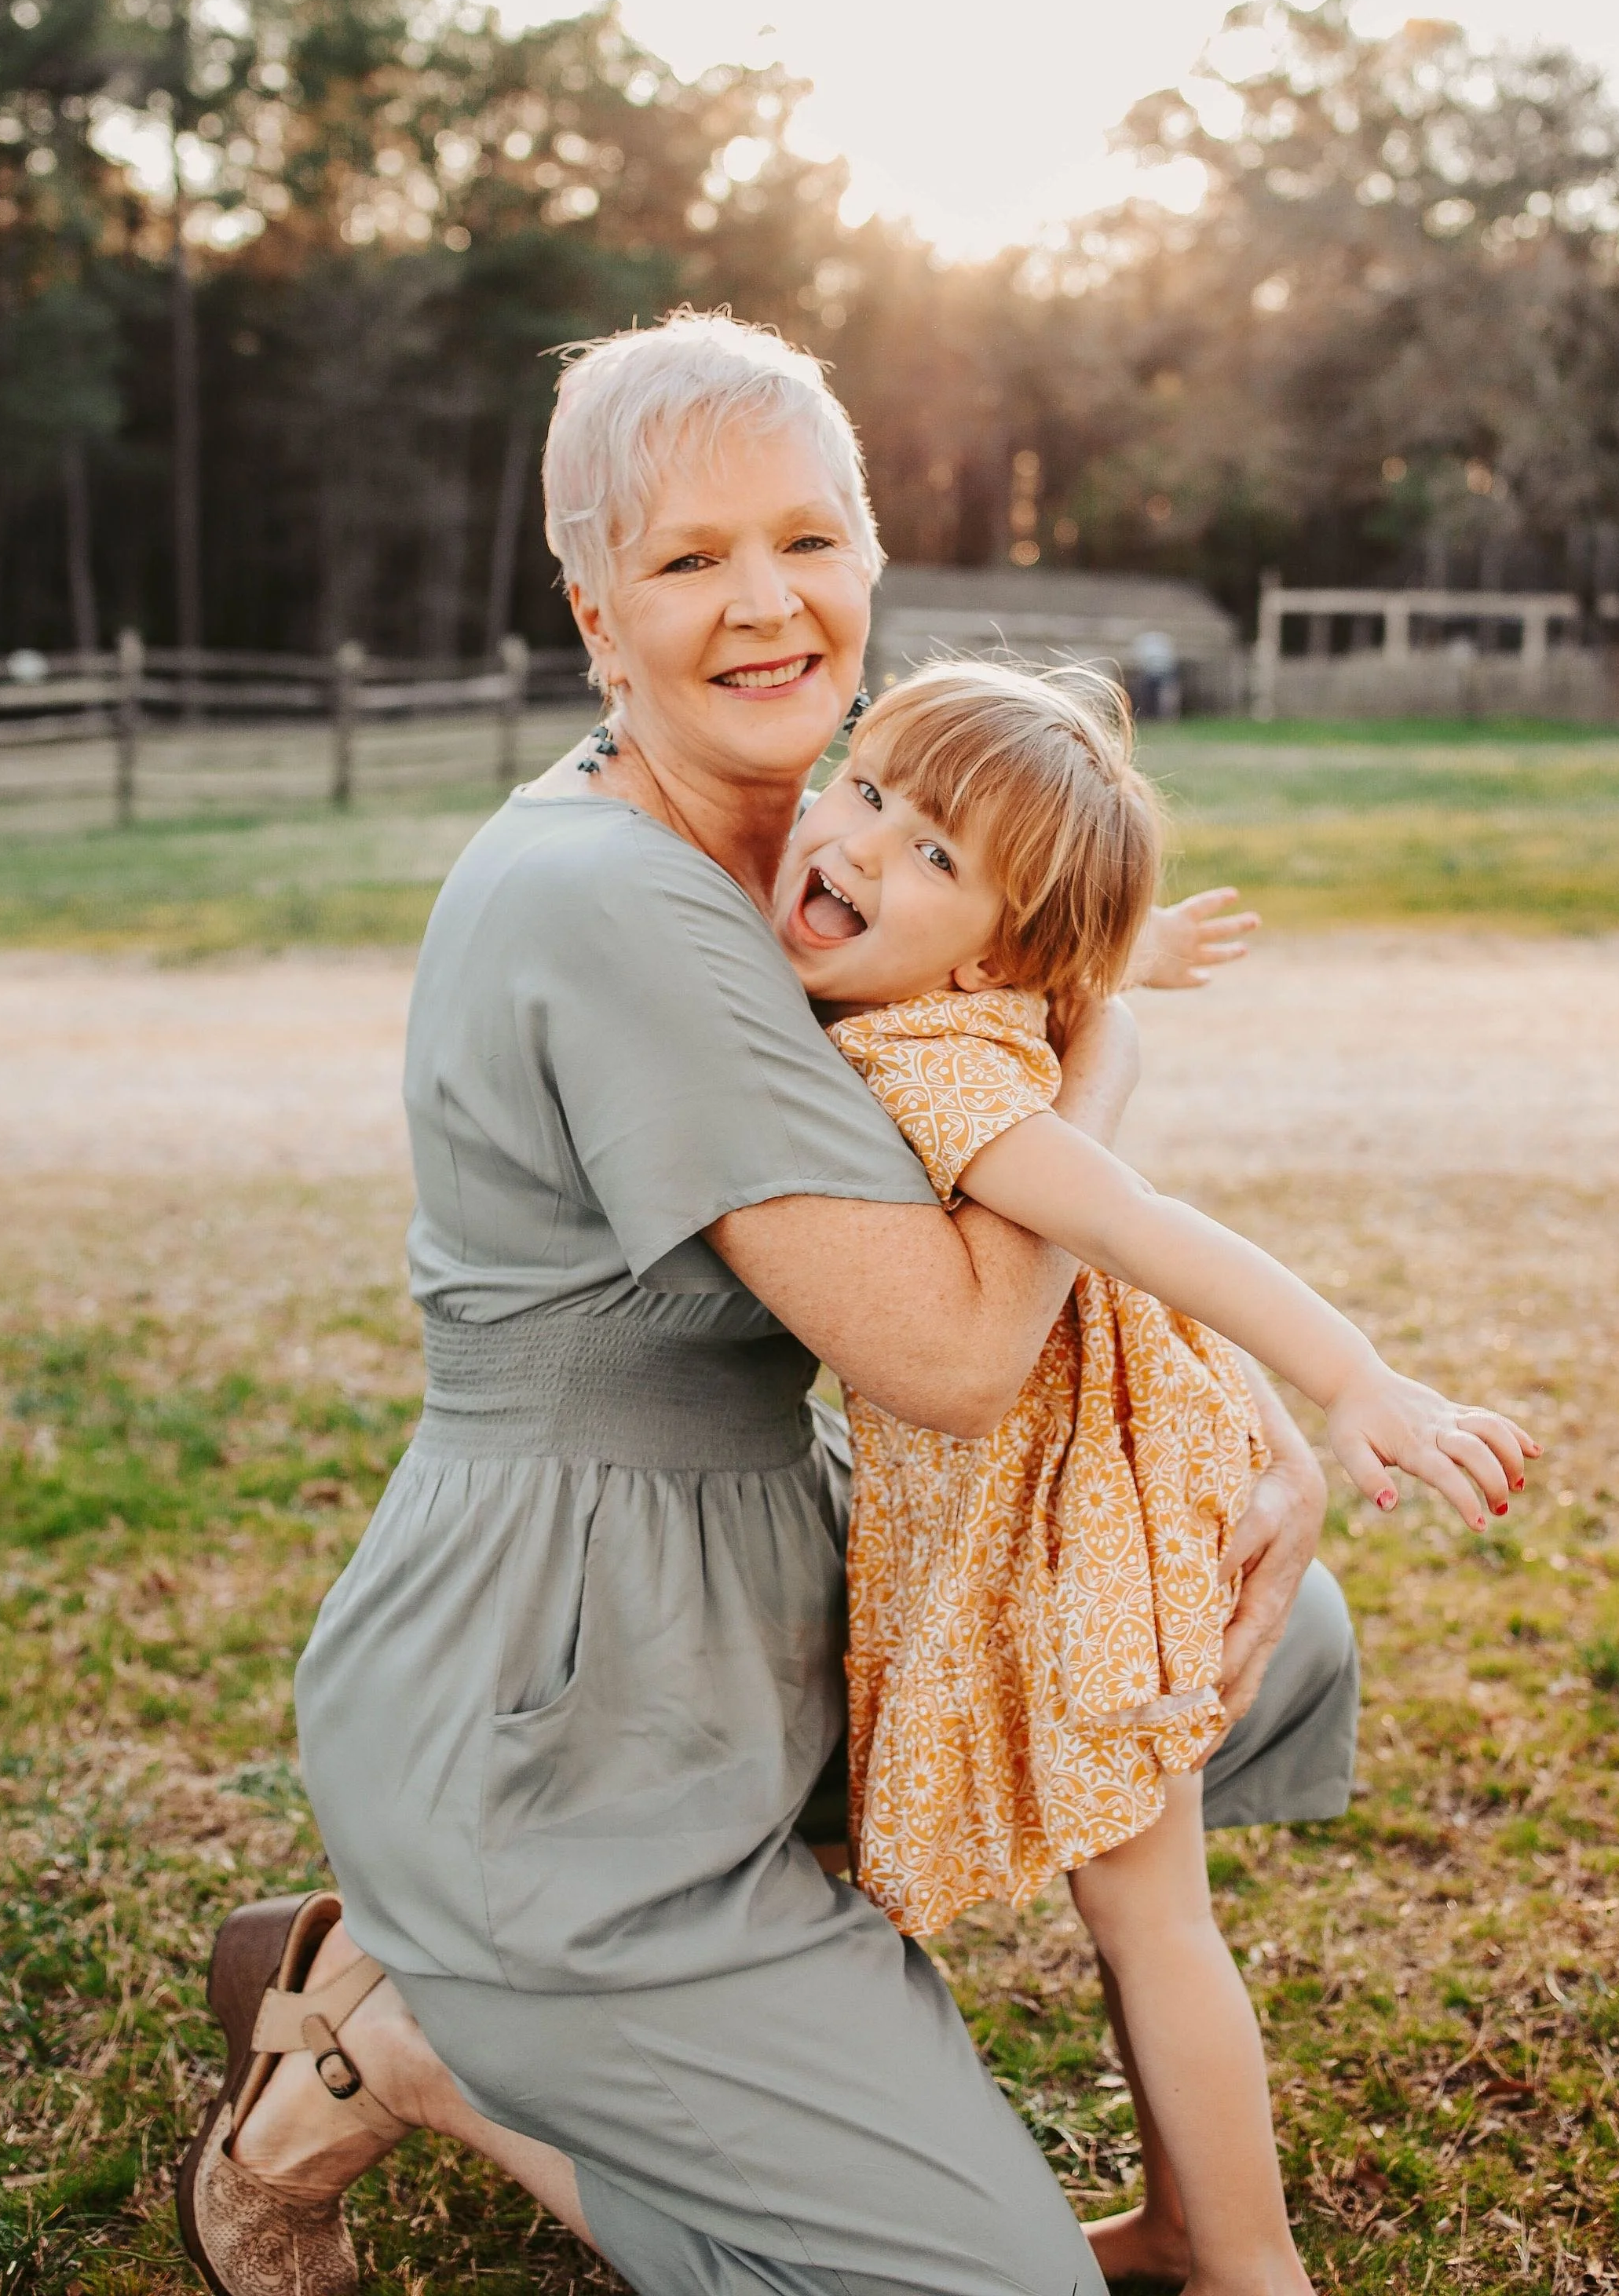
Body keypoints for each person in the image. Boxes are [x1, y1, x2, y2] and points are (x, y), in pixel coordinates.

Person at [176, 313, 1358, 2296]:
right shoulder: (613, 901)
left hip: (762, 1568)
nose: (763, 604)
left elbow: (1031, 1205)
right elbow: (964, 1354)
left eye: (807, 540)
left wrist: (1247, 1434)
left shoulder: (828, 857)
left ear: (876, 561)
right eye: (688, 558)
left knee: (1266, 1625)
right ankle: (416, 2035)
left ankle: (532, 1969)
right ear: (593, 610)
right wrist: (1114, 1056)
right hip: (563, 1686)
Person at [772, 659, 1540, 2296]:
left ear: (993, 948)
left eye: (932, 857)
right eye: (869, 788)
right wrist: (1134, 958)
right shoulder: (968, 998)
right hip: (1082, 1497)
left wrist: (1355, 1378)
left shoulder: (941, 1068)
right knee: (1140, 1909)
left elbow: (1144, 1227)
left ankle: (1252, 2264)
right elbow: (1077, 982)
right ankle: (1192, 2223)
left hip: (1085, 1530)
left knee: (1151, 1918)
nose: (858, 843)